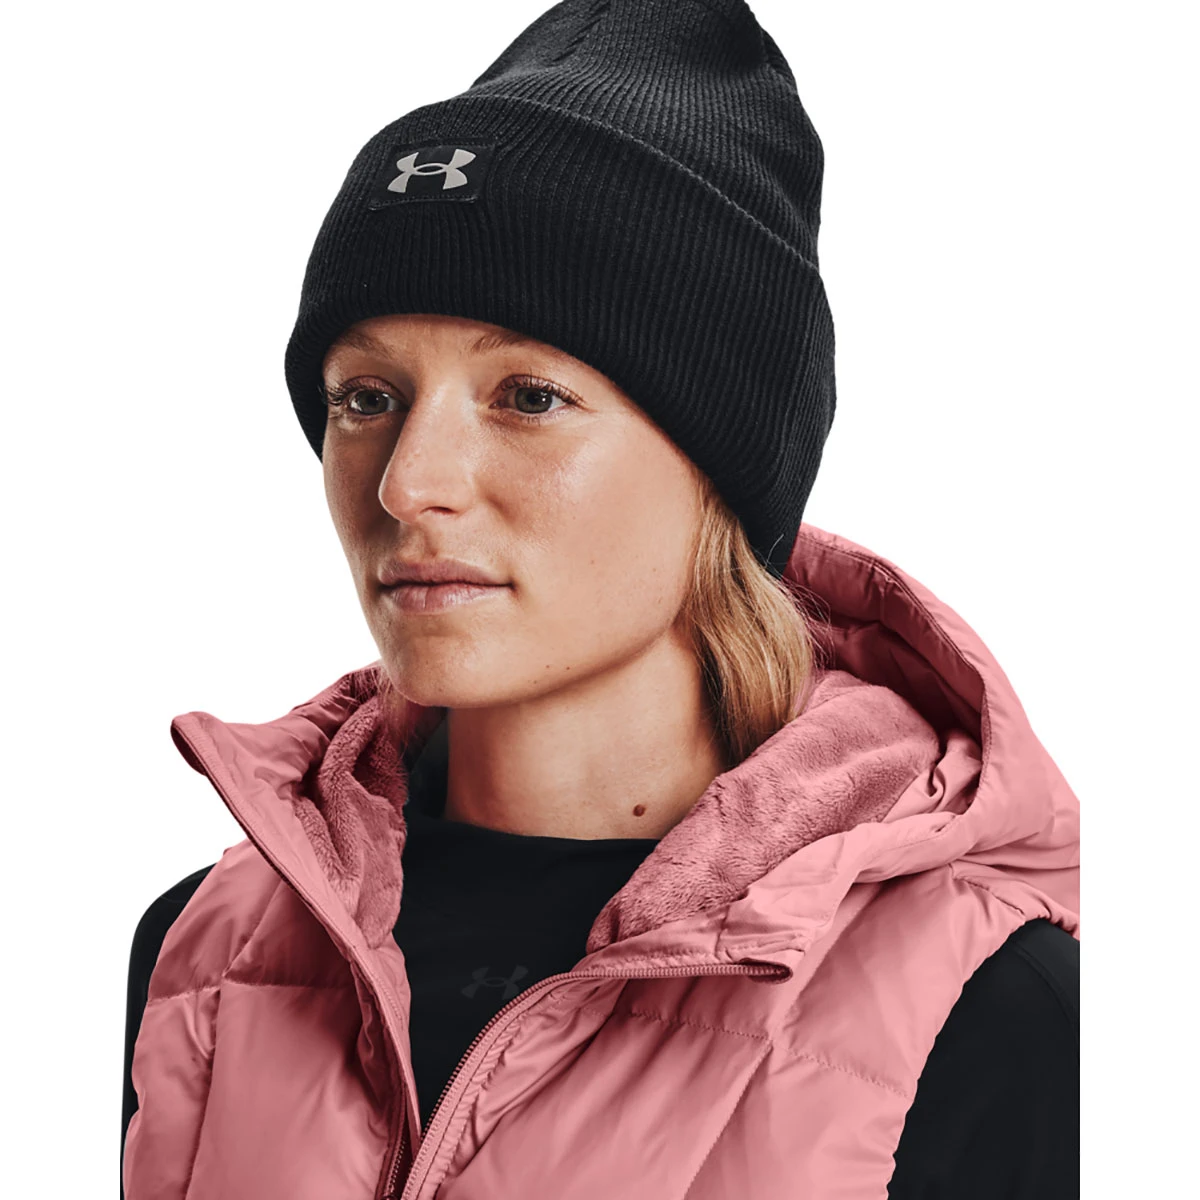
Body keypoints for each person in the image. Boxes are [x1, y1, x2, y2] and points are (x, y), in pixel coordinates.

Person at [121, 2, 1081, 1198]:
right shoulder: (203, 954)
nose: (409, 484)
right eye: (365, 397)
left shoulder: (989, 1013)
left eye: (528, 397)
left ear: (722, 467)